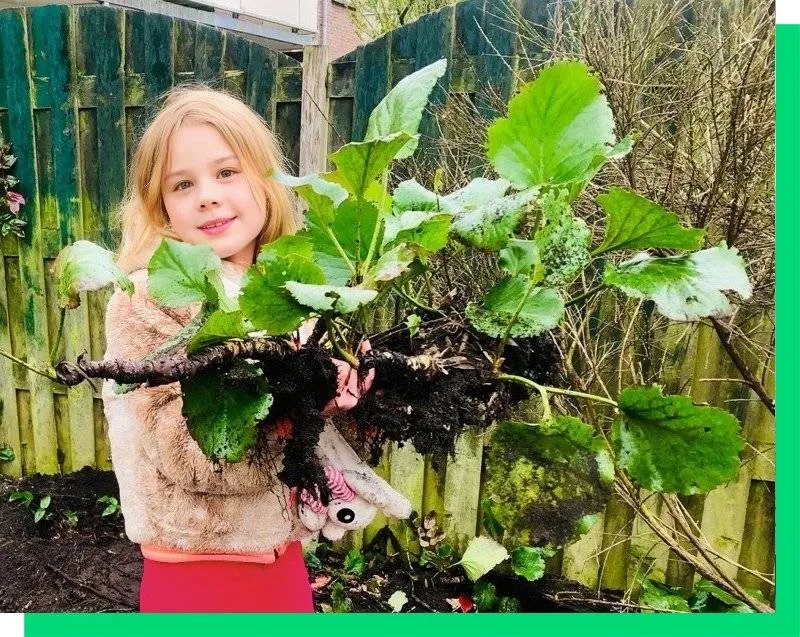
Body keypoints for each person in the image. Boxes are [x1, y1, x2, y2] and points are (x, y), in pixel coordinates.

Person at [101, 86, 411, 613]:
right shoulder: (146, 300)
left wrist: (352, 400)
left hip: (278, 554)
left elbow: (316, 440)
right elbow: (190, 452)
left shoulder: (290, 292)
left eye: (227, 172)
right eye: (182, 184)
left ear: (267, 182)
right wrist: (290, 411)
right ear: (160, 209)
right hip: (195, 565)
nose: (208, 195)